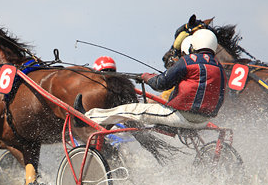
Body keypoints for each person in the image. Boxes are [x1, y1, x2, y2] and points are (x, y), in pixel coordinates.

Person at [77, 29, 225, 129]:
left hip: (181, 116)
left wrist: (147, 77)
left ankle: (88, 117)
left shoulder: (188, 61)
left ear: (194, 44)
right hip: (204, 120)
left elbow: (160, 84)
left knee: (129, 110)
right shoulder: (219, 67)